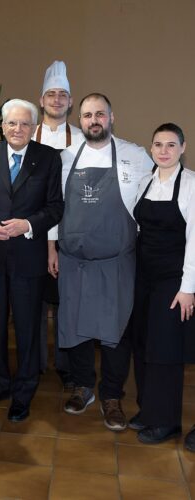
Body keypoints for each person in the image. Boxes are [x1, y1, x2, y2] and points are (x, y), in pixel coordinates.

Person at [49, 93, 153, 432]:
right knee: (76, 327)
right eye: (88, 115)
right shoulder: (64, 158)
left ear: (112, 117)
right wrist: (52, 248)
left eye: (100, 114)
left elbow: (149, 204)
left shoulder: (135, 156)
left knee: (115, 333)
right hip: (74, 262)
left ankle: (111, 395)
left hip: (116, 263)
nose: (94, 120)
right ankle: (82, 386)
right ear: (80, 120)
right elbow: (55, 209)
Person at [0, 99, 64, 422]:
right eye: (12, 123)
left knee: (27, 329)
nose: (18, 129)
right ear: (2, 127)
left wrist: (27, 225)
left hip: (29, 258)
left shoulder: (49, 158)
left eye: (25, 124)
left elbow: (56, 206)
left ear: (33, 127)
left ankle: (24, 391)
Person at [131, 123, 195, 445]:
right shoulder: (145, 182)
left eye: (171, 145)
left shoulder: (192, 186)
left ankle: (167, 421)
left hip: (174, 280)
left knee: (165, 349)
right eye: (158, 144)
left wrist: (188, 288)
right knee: (142, 343)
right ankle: (148, 410)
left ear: (183, 148)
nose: (164, 151)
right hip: (144, 276)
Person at [32, 61, 84, 387]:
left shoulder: (81, 139)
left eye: (62, 94)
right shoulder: (26, 136)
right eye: (50, 94)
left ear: (70, 101)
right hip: (31, 230)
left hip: (70, 230)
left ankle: (66, 365)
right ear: (41, 100)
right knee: (33, 300)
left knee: (67, 300)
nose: (56, 99)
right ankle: (34, 363)